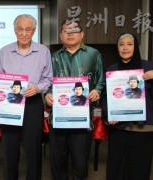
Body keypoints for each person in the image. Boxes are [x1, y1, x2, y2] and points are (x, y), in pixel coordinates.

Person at [45, 20, 105, 180]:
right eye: (66, 31)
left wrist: (96, 90)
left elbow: (101, 80)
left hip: (83, 119)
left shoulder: (93, 54)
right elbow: (47, 83)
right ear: (60, 35)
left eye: (74, 30)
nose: (70, 33)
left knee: (80, 163)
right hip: (58, 118)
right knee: (58, 163)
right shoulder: (53, 58)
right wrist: (48, 95)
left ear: (82, 34)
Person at [0, 14, 53, 180]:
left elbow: (48, 79)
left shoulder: (43, 51)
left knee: (33, 147)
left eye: (28, 29)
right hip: (10, 104)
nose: (23, 33)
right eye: (20, 29)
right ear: (14, 30)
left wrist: (38, 88)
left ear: (34, 31)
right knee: (9, 148)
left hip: (33, 103)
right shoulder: (4, 51)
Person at [100, 33, 153, 180]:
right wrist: (109, 115)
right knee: (116, 167)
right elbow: (105, 98)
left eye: (129, 44)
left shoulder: (147, 67)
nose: (125, 48)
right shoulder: (112, 70)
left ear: (135, 46)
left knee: (138, 168)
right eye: (121, 44)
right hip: (118, 127)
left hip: (145, 128)